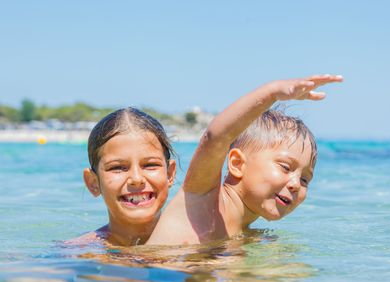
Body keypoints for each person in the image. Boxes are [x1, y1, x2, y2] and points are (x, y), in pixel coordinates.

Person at [147, 74, 343, 245]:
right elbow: (215, 138)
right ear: (237, 164)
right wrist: (272, 93)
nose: (295, 185)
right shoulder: (202, 199)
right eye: (285, 167)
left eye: (305, 180)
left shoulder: (250, 237)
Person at [68, 107, 176, 246]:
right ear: (93, 183)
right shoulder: (79, 252)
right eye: (117, 167)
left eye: (150, 165)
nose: (136, 179)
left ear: (169, 174)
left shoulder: (197, 241)